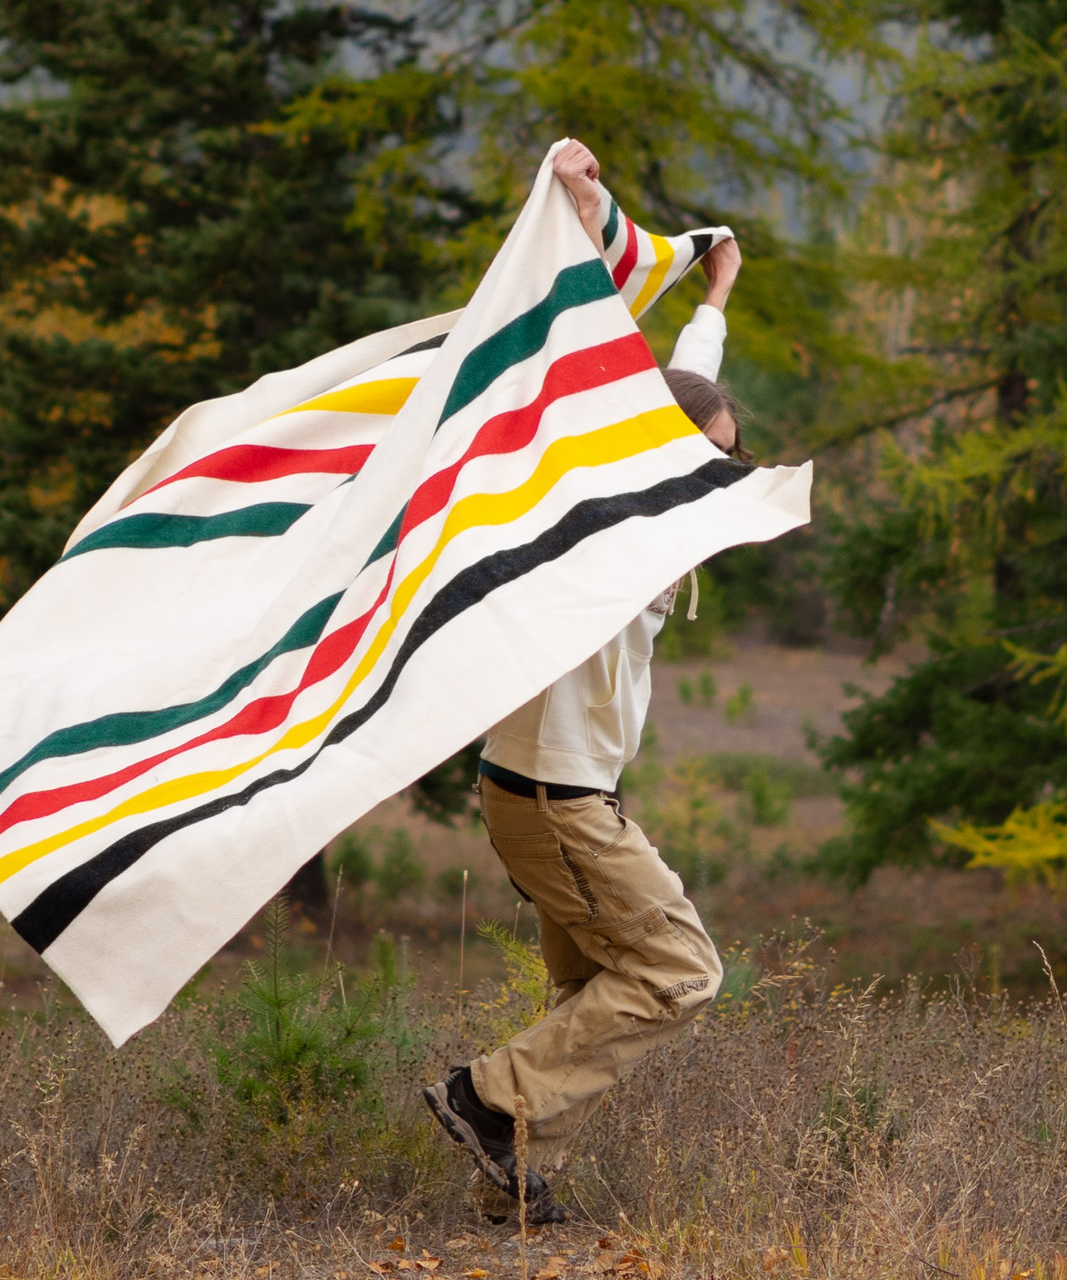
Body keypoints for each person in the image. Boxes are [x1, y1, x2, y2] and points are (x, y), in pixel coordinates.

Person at [423, 140, 745, 1225]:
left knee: (588, 992)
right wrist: (583, 199)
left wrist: (713, 300)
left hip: (553, 793)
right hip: (553, 798)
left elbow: (684, 392)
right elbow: (610, 359)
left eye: (724, 462)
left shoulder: (660, 505)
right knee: (675, 967)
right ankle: (485, 1096)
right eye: (702, 457)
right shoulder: (611, 516)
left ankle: (513, 1171)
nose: (716, 475)